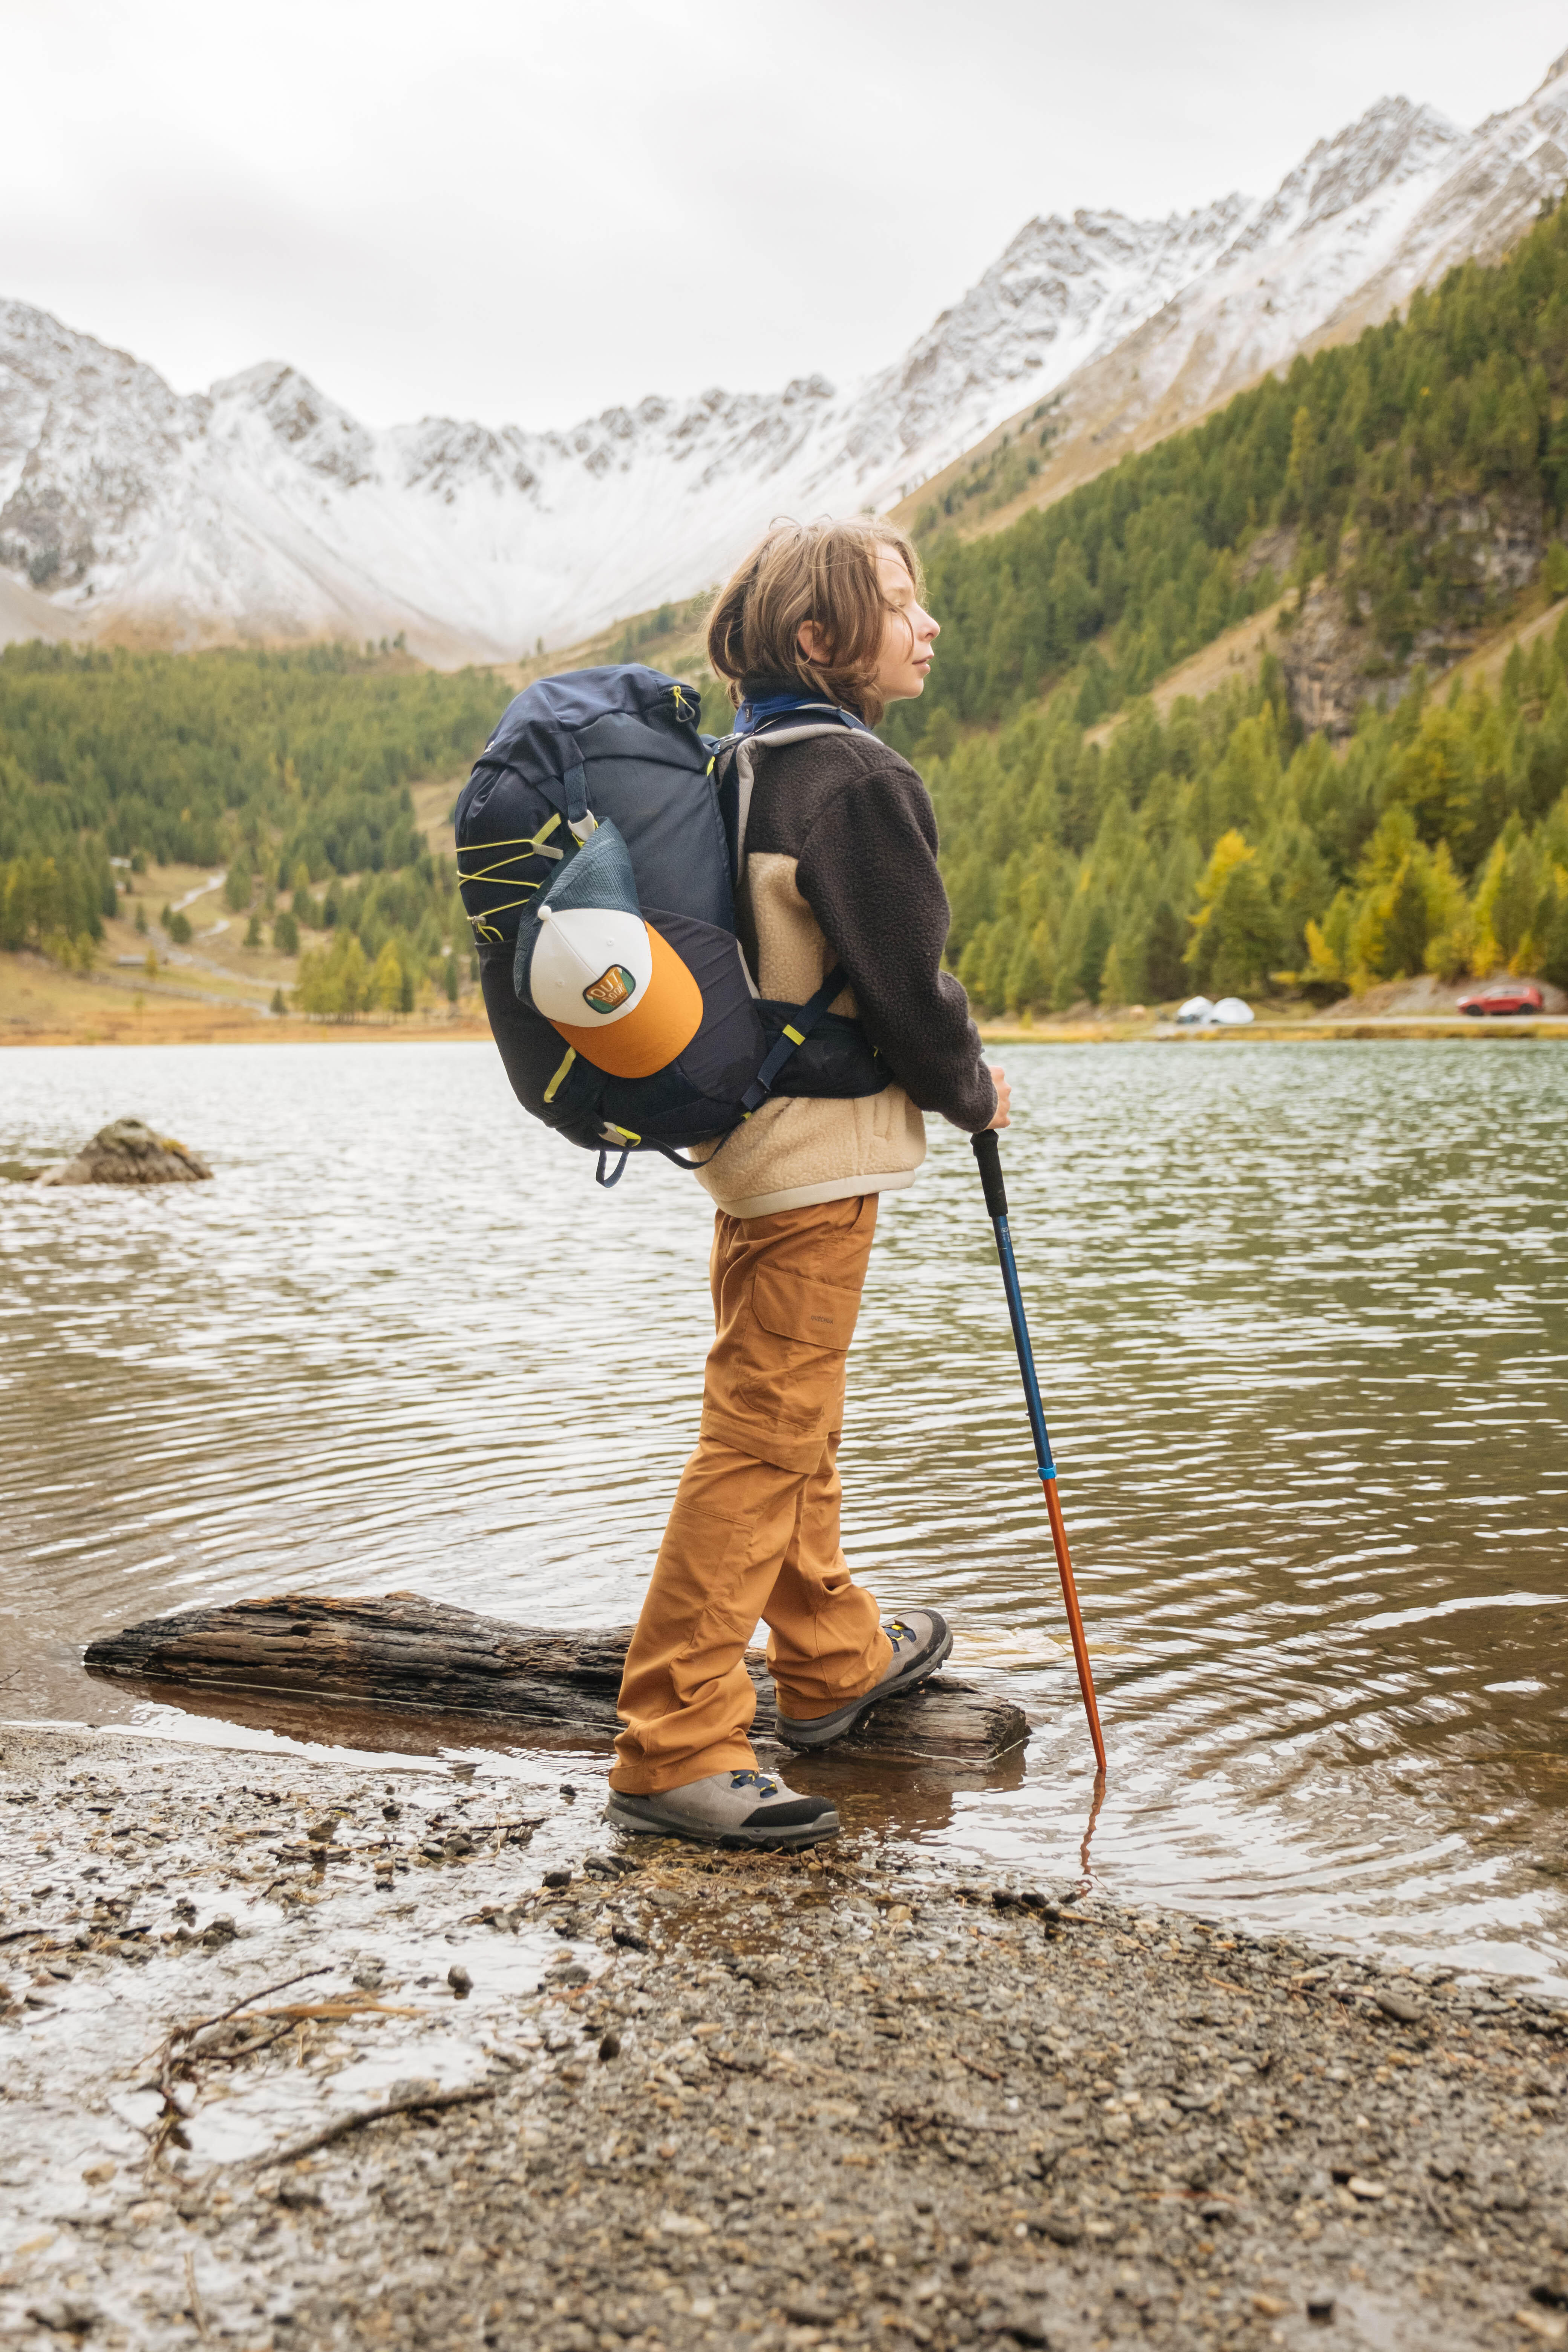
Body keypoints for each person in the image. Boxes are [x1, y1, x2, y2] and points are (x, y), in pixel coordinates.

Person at [604, 516, 1010, 1850]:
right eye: (902, 601)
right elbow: (907, 986)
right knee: (764, 1439)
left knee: (795, 1422)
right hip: (818, 1159)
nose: (930, 622)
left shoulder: (743, 761)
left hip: (745, 1146)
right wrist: (973, 1087)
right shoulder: (853, 778)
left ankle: (835, 1658)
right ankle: (673, 1739)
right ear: (823, 639)